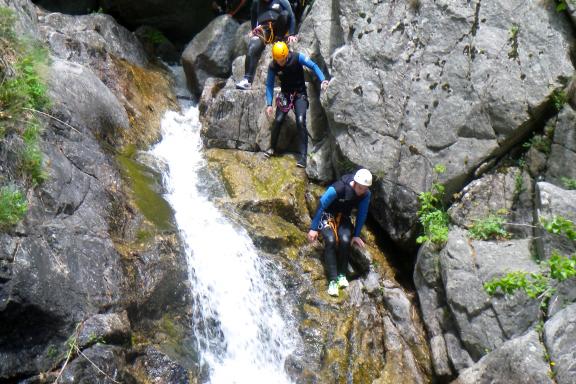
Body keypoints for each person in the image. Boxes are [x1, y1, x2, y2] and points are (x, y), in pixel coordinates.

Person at [307, 169, 373, 297]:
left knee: (345, 239)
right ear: (355, 182)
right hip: (327, 215)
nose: (362, 191)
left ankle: (342, 274)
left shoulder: (366, 194)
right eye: (360, 188)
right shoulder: (339, 188)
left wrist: (356, 235)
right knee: (330, 240)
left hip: (344, 217)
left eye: (365, 189)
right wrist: (314, 228)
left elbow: (362, 213)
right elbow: (321, 205)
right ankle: (332, 281)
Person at [263, 41, 329, 168]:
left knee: (300, 120)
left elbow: (313, 65)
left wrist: (323, 79)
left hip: (300, 94)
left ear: (286, 55)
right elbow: (269, 85)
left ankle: (303, 157)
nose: (280, 62)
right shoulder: (273, 66)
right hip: (285, 95)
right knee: (278, 119)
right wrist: (269, 104)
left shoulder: (296, 57)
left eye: (282, 60)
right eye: (278, 60)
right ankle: (272, 148)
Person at [236, 0, 297, 90]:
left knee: (285, 14)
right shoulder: (256, 2)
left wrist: (292, 34)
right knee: (253, 46)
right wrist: (254, 30)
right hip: (264, 29)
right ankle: (247, 80)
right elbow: (253, 16)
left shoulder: (282, 1)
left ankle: (278, 40)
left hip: (279, 28)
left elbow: (291, 16)